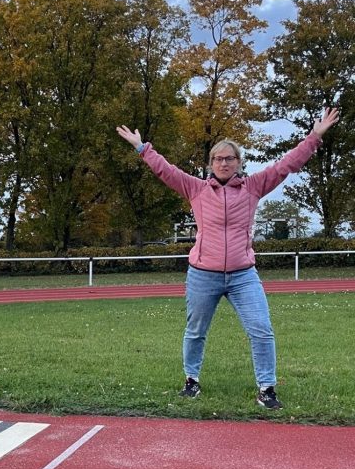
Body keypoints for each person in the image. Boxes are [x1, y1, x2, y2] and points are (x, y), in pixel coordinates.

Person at [116, 108, 340, 409]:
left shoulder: (253, 187)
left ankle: (267, 389)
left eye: (230, 158)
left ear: (238, 163)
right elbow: (165, 170)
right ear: (211, 163)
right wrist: (142, 148)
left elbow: (286, 165)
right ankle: (191, 382)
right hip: (202, 274)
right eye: (218, 159)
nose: (224, 163)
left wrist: (314, 137)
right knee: (195, 331)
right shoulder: (195, 189)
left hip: (243, 275)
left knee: (261, 329)